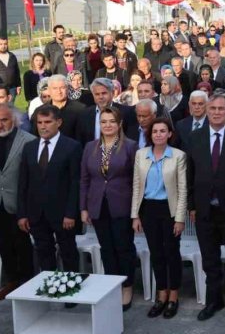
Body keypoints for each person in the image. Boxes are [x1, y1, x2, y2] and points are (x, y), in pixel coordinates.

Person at [184, 93, 225, 321]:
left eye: (221, 109)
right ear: (206, 110)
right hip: (203, 209)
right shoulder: (195, 137)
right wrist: (192, 206)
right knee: (209, 259)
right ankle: (214, 299)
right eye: (212, 108)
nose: (216, 112)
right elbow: (189, 174)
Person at [79, 106, 138, 309]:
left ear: (119, 124)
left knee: (124, 248)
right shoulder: (90, 147)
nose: (107, 125)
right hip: (98, 206)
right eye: (103, 121)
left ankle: (127, 286)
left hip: (122, 205)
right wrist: (84, 208)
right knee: (107, 249)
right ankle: (113, 285)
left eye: (112, 121)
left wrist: (136, 211)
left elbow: (136, 180)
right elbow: (84, 179)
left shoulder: (130, 146)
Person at [132, 118, 187, 319]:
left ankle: (173, 295)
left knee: (172, 253)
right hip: (148, 210)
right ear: (150, 134)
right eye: (155, 131)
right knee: (156, 253)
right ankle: (161, 294)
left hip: (170, 210)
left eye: (163, 131)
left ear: (169, 134)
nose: (158, 134)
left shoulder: (178, 156)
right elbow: (137, 186)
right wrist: (135, 215)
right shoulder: (141, 154)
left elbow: (182, 190)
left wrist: (180, 219)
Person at [0, 104, 35, 300]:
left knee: (22, 244)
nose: (0, 124)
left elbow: (33, 178)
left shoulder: (29, 141)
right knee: (3, 243)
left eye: (4, 119)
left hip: (20, 203)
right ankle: (12, 281)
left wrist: (29, 206)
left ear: (14, 119)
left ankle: (28, 282)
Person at [17, 104, 82, 272]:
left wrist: (70, 213)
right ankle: (50, 288)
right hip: (36, 213)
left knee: (68, 253)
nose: (43, 126)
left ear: (58, 122)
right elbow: (23, 182)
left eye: (47, 122)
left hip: (62, 215)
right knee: (43, 253)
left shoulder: (72, 146)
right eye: (39, 122)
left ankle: (71, 292)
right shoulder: (29, 147)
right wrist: (22, 214)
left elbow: (76, 182)